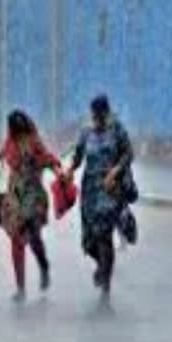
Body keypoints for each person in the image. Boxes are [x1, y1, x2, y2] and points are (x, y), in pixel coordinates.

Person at [0, 110, 62, 302]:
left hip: (34, 196)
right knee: (17, 241)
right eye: (14, 130)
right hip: (15, 197)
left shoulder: (34, 141)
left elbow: (48, 158)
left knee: (34, 236)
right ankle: (20, 288)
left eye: (19, 129)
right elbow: (3, 153)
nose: (17, 134)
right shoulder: (10, 141)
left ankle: (43, 265)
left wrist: (58, 171)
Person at [65, 94, 135, 299]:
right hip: (89, 191)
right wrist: (70, 170)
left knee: (104, 236)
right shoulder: (87, 132)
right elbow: (78, 156)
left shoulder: (117, 130)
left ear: (106, 112)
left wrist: (115, 171)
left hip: (110, 189)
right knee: (89, 241)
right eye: (94, 114)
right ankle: (101, 265)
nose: (96, 118)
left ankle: (106, 283)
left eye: (99, 114)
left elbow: (128, 154)